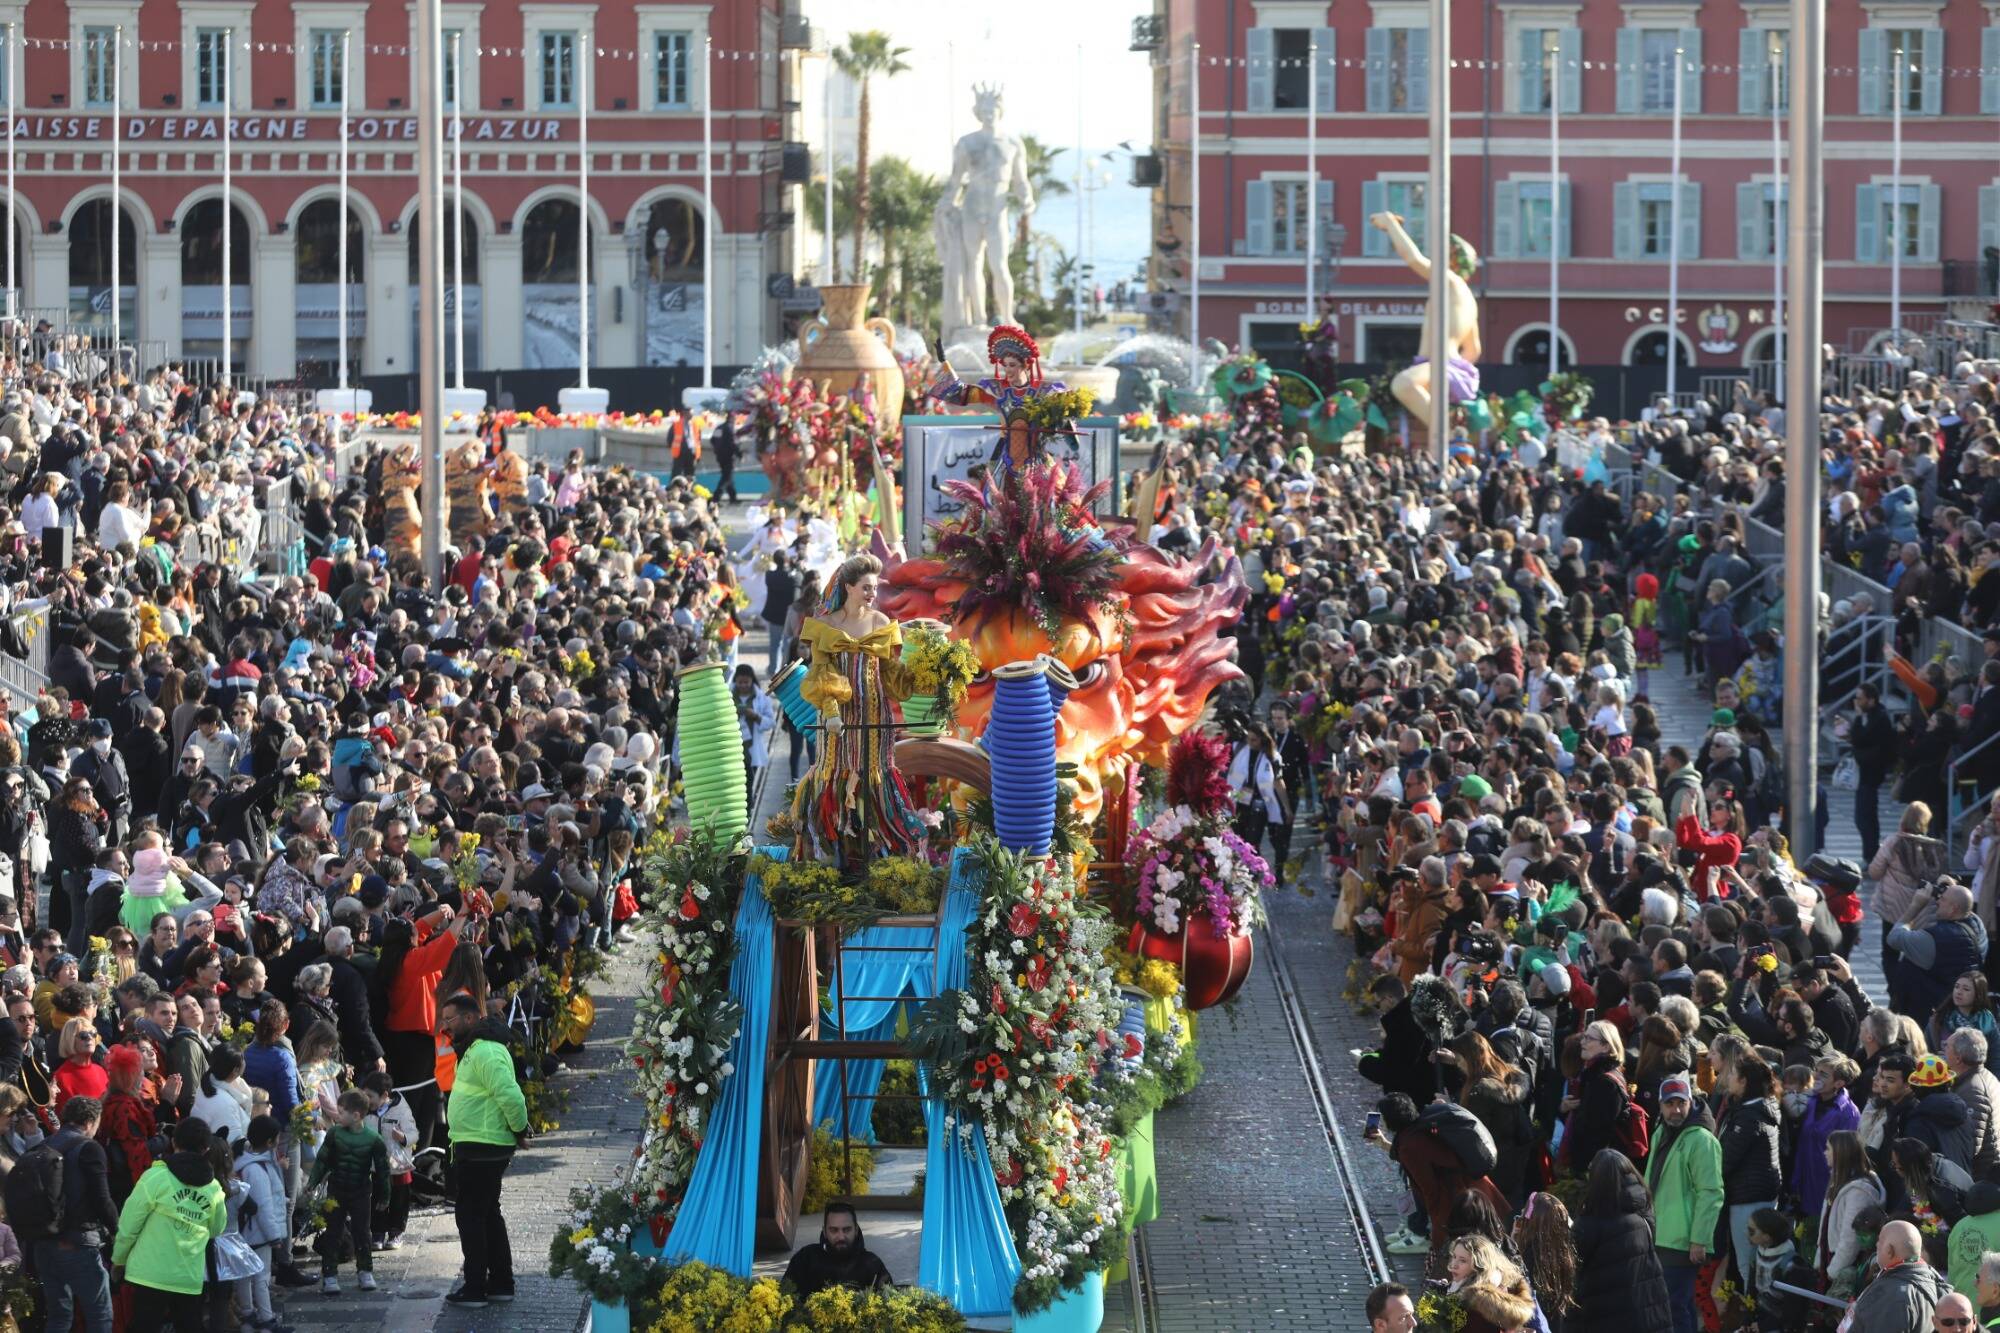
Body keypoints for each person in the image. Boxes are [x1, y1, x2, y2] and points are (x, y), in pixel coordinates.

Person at [787, 555, 930, 867]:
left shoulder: (881, 622)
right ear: (849, 586)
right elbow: (821, 671)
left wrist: (930, 676)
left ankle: (881, 855)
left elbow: (892, 673)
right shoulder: (824, 626)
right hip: (837, 719)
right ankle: (836, 853)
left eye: (875, 588)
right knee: (837, 774)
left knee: (876, 775)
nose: (872, 593)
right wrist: (831, 710)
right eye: (866, 587)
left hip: (874, 715)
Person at [440, 991, 528, 1309]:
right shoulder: (477, 1048)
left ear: (469, 1018)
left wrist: (520, 1129)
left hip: (483, 1144)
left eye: (449, 1019)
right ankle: (500, 1283)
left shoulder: (486, 1051)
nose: (445, 1026)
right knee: (487, 1213)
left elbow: (510, 1094)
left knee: (471, 1216)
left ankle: (476, 1287)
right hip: (478, 1142)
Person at [110, 1117, 228, 1333]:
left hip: (148, 1275)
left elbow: (129, 1224)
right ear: (206, 1149)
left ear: (173, 1142)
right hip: (188, 1276)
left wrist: (119, 1259)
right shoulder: (213, 1188)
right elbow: (216, 1229)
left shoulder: (155, 1177)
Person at [24, 1095, 118, 1333]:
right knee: (100, 1316)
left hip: (43, 1246)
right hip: (79, 1245)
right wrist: (119, 1232)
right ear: (90, 1122)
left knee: (58, 1317)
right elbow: (102, 1199)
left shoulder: (41, 1148)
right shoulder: (89, 1148)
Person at [1647, 1074, 1723, 1333]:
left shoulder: (1702, 1139)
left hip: (1683, 1240)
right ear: (1660, 1105)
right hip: (1662, 1234)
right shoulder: (1661, 1131)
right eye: (1670, 1104)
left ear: (1691, 1101)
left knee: (1674, 1307)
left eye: (1681, 1103)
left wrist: (1699, 1239)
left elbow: (1711, 1193)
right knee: (1680, 1306)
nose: (1676, 1109)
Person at [1569, 1148, 1675, 1333]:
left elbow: (1572, 1272)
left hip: (1604, 1318)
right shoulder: (1644, 1215)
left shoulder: (1588, 1225)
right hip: (1649, 1315)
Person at [306, 1088, 389, 1294]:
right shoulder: (334, 1134)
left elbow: (383, 1171)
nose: (337, 1115)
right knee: (333, 1232)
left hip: (361, 1191)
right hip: (337, 1189)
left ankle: (365, 1271)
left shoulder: (374, 1139)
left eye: (341, 1112)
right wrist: (312, 1182)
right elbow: (322, 1160)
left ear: (356, 1115)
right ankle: (330, 1275)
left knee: (362, 1232)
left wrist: (385, 1195)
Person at [1851, 1220, 1953, 1333]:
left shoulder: (1892, 1296)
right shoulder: (1935, 1282)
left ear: (1889, 1250)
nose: (1876, 1245)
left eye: (1879, 1241)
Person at [780, 1199, 893, 1297]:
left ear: (856, 1230)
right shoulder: (805, 1259)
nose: (841, 1236)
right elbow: (786, 1297)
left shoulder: (872, 1264)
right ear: (824, 1231)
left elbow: (889, 1304)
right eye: (834, 1230)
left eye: (847, 1229)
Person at [1443, 1234, 1535, 1333]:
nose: (1453, 1265)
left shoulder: (1480, 1301)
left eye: (1463, 1261)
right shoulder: (1460, 1286)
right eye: (1454, 1257)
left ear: (1479, 1265)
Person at [1946, 1028, 2000, 1181]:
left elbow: (1970, 1145)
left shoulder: (1973, 1090)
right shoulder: (1983, 1077)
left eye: (1947, 1046)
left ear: (1958, 1058)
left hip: (1979, 1178)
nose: (1943, 1049)